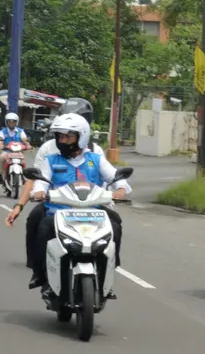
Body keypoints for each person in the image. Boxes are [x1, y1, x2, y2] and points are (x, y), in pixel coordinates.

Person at [29, 113, 130, 298]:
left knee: (115, 224)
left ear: (81, 136)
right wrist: (38, 191)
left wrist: (120, 189)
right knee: (42, 226)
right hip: (59, 211)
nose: (62, 140)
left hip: (94, 211)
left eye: (68, 136)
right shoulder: (51, 160)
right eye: (60, 136)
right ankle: (41, 273)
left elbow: (115, 178)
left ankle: (108, 272)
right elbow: (41, 183)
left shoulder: (96, 159)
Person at [6, 105, 107, 270]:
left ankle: (107, 268)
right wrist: (19, 206)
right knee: (35, 221)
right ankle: (37, 268)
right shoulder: (49, 148)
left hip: (90, 205)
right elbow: (36, 179)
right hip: (56, 203)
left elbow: (108, 178)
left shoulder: (96, 152)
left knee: (115, 223)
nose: (64, 137)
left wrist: (115, 194)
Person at [0, 112, 31, 185]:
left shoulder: (20, 131)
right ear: (7, 122)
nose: (11, 124)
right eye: (9, 122)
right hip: (7, 151)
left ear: (16, 122)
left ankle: (22, 176)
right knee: (1, 157)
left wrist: (27, 145)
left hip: (18, 151)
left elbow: (24, 139)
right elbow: (0, 139)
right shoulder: (3, 131)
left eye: (13, 122)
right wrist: (1, 145)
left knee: (23, 162)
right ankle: (1, 174)